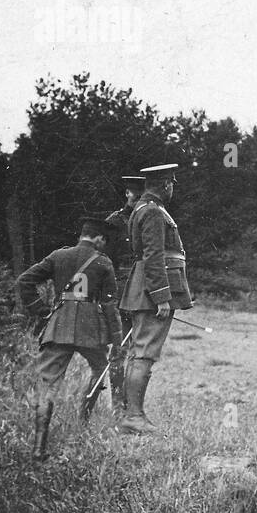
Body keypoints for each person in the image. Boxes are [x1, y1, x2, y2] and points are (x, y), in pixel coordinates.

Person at [17, 214, 124, 459]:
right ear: (98, 238)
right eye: (103, 240)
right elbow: (110, 307)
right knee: (100, 371)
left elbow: (24, 281)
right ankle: (83, 422)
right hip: (90, 329)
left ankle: (38, 448)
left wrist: (41, 311)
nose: (103, 244)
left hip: (59, 325)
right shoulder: (103, 263)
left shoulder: (58, 256)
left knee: (47, 385)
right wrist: (117, 341)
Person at [117, 163, 192, 435]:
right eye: (171, 184)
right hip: (150, 293)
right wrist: (162, 297)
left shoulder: (143, 209)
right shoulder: (153, 212)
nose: (172, 189)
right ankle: (133, 417)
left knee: (138, 353)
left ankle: (130, 413)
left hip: (142, 289)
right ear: (165, 185)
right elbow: (153, 256)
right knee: (144, 354)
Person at [104, 174, 145, 407]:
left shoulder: (148, 219)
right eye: (132, 193)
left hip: (143, 294)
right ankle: (118, 405)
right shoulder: (114, 222)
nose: (135, 197)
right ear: (126, 193)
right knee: (120, 351)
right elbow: (105, 261)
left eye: (140, 194)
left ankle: (134, 408)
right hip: (120, 295)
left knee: (140, 353)